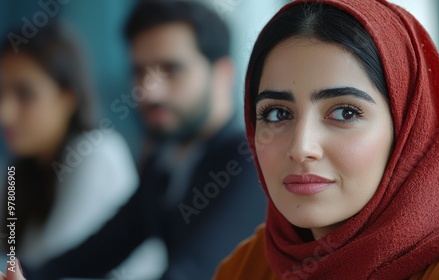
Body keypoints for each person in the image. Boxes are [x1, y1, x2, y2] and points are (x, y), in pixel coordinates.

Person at [214, 0, 439, 279]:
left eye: (345, 112)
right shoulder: (250, 264)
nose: (301, 148)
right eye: (277, 114)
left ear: (408, 130)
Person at [13, 1, 266, 279]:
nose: (148, 91)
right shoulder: (164, 164)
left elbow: (189, 274)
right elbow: (93, 254)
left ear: (222, 74)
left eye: (171, 69)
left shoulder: (248, 161)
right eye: (140, 71)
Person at [0, 23, 138, 272]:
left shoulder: (96, 151)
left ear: (68, 98)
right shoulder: (22, 171)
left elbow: (48, 266)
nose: (5, 114)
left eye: (25, 94)